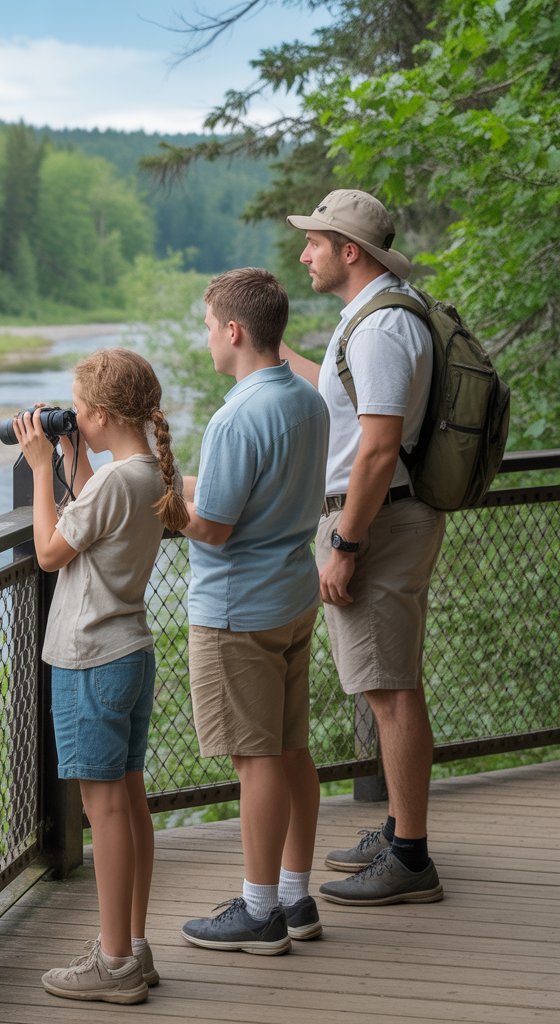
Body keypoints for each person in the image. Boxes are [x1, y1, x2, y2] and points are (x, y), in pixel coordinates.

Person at [282, 188, 446, 906]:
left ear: (351, 251)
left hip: (375, 522)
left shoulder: (381, 329)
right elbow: (347, 406)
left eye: (314, 241)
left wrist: (346, 542)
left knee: (389, 690)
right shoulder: (372, 320)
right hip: (380, 517)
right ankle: (398, 830)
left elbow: (378, 449)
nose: (303, 252)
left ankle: (410, 858)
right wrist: (272, 353)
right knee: (390, 682)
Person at [13, 347, 189, 1005]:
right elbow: (91, 499)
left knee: (105, 810)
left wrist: (37, 470)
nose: (74, 420)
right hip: (130, 652)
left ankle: (112, 963)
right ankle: (133, 948)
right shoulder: (141, 472)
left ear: (104, 414)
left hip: (91, 658)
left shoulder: (119, 481)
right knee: (130, 804)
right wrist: (65, 453)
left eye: (79, 412)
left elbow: (50, 551)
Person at [179, 267, 330, 956]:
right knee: (292, 749)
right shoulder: (306, 400)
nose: (207, 339)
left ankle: (259, 910)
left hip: (237, 609)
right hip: (292, 595)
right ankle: (297, 899)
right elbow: (260, 494)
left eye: (209, 326)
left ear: (234, 331)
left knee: (256, 759)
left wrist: (161, 502)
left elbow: (211, 526)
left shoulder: (235, 414)